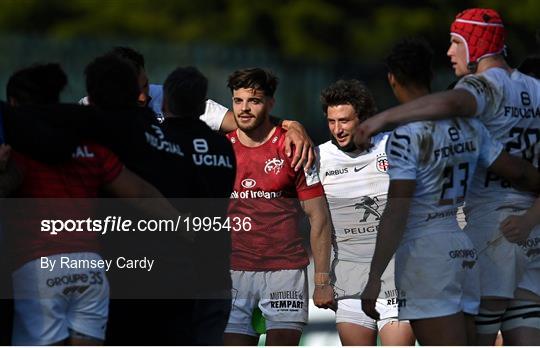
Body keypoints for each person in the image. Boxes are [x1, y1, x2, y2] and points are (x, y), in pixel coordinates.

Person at [356, 8, 540, 345]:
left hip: (472, 236)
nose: (450, 51)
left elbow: (398, 210)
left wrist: (381, 119)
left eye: (456, 42)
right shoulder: (530, 91)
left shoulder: (477, 91)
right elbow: (522, 172)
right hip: (511, 238)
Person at [4, 63, 184, 346]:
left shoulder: (14, 151)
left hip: (38, 266)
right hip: (90, 267)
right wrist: (182, 224)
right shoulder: (91, 148)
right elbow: (139, 194)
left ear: (13, 102)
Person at [223, 68, 334, 346]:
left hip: (285, 272)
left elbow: (318, 216)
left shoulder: (293, 147)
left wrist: (322, 280)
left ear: (271, 103)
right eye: (238, 101)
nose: (245, 109)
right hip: (234, 271)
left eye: (254, 101)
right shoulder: (219, 149)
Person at [90, 46, 314, 172]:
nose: (143, 96)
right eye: (133, 89)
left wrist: (290, 125)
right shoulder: (89, 110)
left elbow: (243, 120)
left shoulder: (168, 95)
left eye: (145, 85)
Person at [315, 79, 415, 346]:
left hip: (398, 276)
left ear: (364, 118)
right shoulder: (319, 157)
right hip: (349, 279)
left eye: (345, 121)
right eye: (331, 121)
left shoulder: (393, 146)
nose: (337, 129)